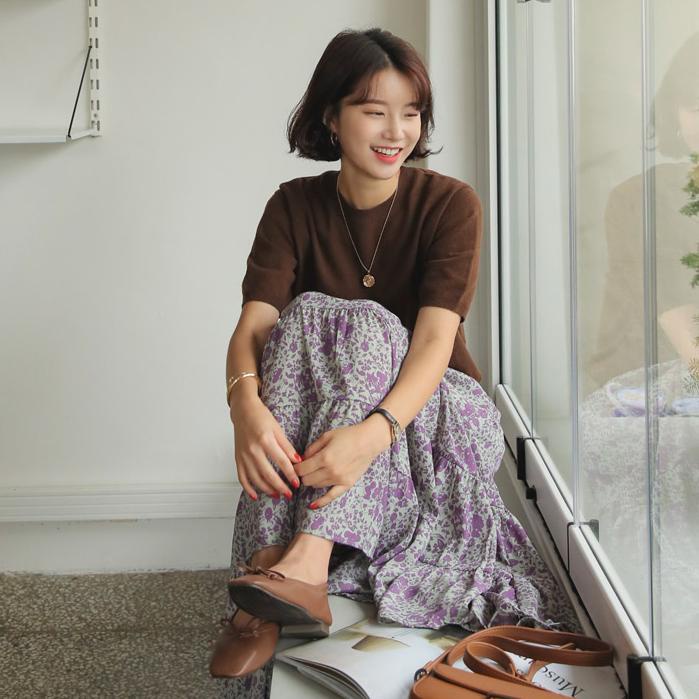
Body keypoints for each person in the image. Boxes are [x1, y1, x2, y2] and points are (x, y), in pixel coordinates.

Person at [210, 27, 581, 699]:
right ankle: (274, 569)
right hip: (332, 421)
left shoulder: (450, 204)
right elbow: (255, 326)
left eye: (410, 112)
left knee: (368, 323)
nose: (396, 131)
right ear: (331, 116)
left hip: (438, 414)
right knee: (303, 320)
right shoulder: (293, 204)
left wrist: (373, 432)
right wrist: (243, 407)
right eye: (373, 110)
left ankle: (303, 559)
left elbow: (435, 340)